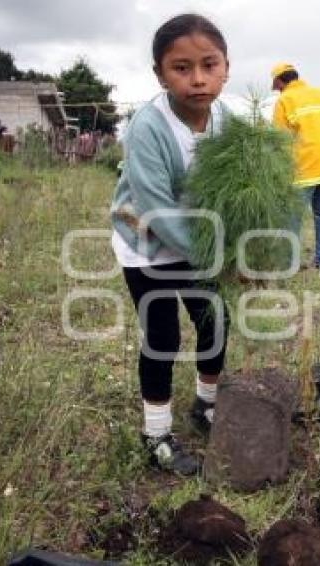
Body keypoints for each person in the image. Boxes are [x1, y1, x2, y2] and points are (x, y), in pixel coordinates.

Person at [109, 13, 231, 474]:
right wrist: (219, 256)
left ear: (226, 67)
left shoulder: (228, 119)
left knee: (214, 320)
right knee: (162, 335)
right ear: (160, 74)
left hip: (201, 240)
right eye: (181, 68)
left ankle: (206, 404)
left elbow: (236, 186)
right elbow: (156, 210)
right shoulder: (148, 128)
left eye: (209, 64)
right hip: (148, 243)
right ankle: (156, 433)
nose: (198, 79)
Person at [271, 63, 320, 269]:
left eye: (274, 83)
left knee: (293, 217)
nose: (275, 87)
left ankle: (290, 263)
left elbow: (280, 138)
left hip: (304, 166)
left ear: (280, 81)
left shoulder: (284, 100)